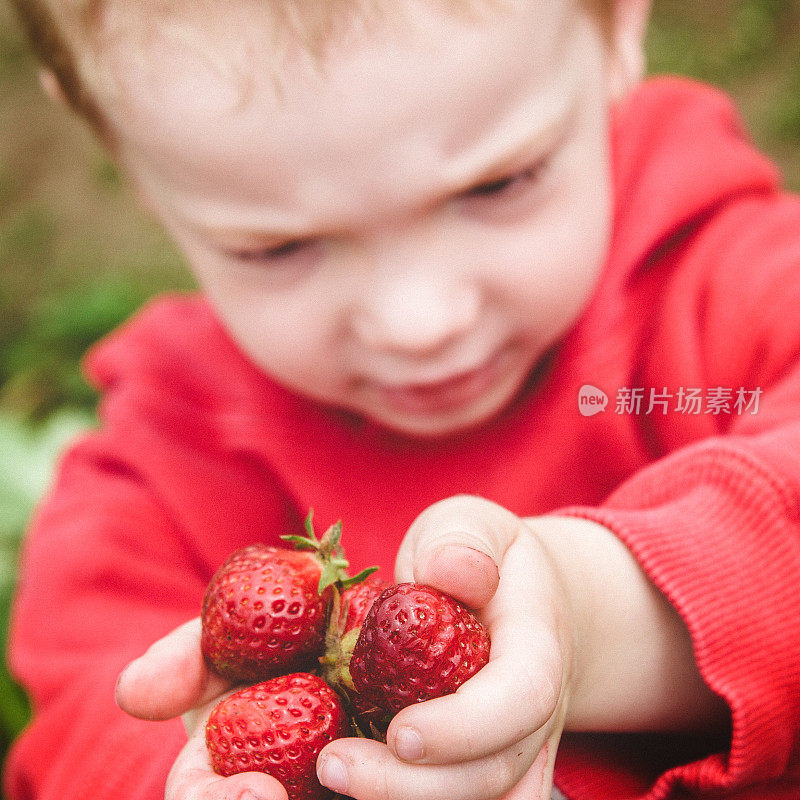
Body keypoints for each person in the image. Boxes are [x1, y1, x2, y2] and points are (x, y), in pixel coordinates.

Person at [5, 0, 800, 797]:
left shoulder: (732, 286)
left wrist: (593, 616)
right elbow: (91, 717)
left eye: (498, 184)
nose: (417, 322)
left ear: (618, 30)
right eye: (279, 246)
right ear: (120, 148)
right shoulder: (159, 468)